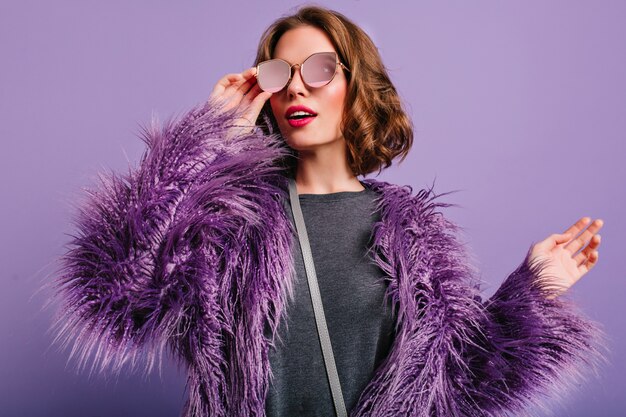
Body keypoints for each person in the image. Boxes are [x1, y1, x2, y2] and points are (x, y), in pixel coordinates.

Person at [47, 5, 607, 417]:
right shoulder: (228, 220)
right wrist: (207, 140)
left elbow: (456, 386)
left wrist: (534, 294)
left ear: (356, 85)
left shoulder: (416, 239)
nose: (296, 88)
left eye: (319, 70)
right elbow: (118, 294)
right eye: (277, 74)